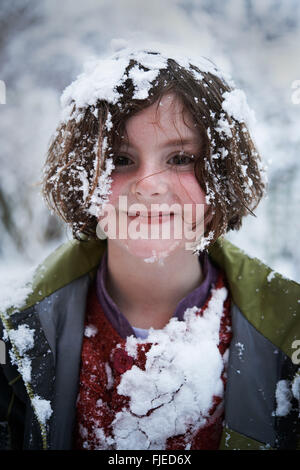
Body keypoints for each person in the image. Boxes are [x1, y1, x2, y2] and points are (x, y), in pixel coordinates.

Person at [0, 47, 299, 451]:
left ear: (221, 172)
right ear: (83, 177)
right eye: (121, 159)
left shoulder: (290, 336)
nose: (150, 184)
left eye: (179, 158)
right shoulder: (11, 342)